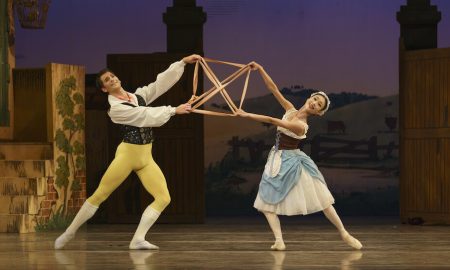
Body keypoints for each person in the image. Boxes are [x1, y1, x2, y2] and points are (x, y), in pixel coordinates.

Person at [54, 54, 201, 250]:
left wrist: (182, 62)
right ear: (104, 88)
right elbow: (144, 115)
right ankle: (69, 232)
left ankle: (138, 239)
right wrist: (174, 110)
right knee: (100, 195)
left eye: (112, 76)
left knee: (163, 197)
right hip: (128, 155)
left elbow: (159, 84)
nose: (112, 79)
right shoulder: (116, 109)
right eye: (107, 80)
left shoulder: (137, 96)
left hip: (146, 156)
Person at [236, 62, 362, 251]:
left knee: (323, 201)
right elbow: (273, 89)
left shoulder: (302, 125)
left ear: (318, 112)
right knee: (265, 203)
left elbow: (272, 121)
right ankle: (279, 240)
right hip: (277, 159)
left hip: (293, 161)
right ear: (310, 98)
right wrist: (260, 69)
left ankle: (344, 233)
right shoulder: (290, 110)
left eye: (318, 105)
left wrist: (245, 115)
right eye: (315, 99)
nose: (314, 103)